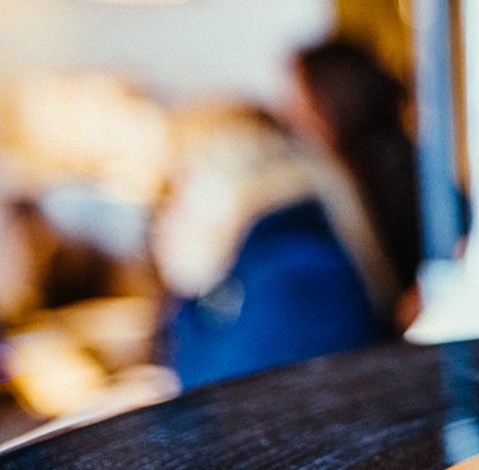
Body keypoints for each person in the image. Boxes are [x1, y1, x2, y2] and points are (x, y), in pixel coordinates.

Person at [152, 104, 395, 389]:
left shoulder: (296, 274)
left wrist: (191, 294)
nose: (170, 209)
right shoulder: (280, 255)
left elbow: (226, 406)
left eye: (182, 183)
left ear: (226, 176)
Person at [288, 40, 422, 327]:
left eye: (301, 99)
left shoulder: (394, 175)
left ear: (334, 99)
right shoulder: (368, 168)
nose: (292, 112)